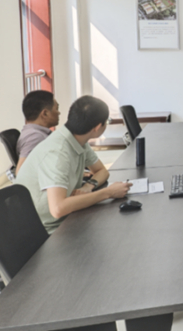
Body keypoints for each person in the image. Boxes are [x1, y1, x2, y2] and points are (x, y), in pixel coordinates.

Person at [16, 96, 132, 233]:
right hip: (44, 229)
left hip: (65, 216)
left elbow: (102, 171)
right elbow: (58, 209)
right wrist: (108, 193)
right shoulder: (57, 152)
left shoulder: (78, 139)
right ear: (97, 127)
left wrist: (88, 186)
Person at [16, 90, 61, 174]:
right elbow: (21, 173)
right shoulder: (35, 137)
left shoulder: (35, 133)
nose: (59, 113)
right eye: (56, 109)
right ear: (45, 113)